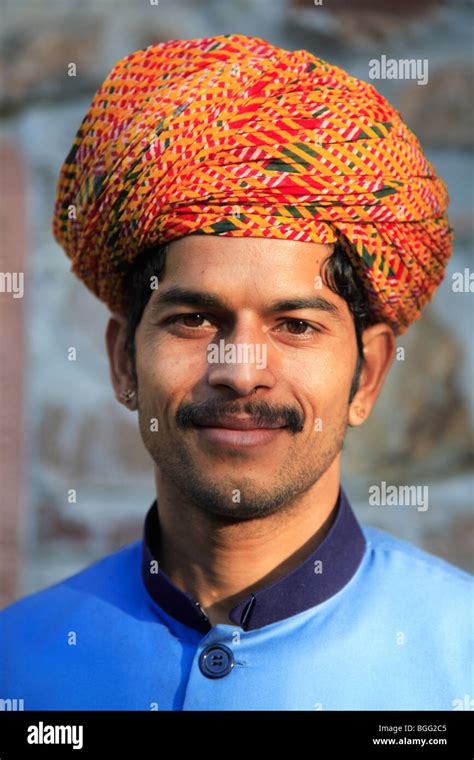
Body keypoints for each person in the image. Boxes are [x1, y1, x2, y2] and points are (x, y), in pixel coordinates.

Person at [1, 34, 471, 711]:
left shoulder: (460, 663)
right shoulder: (17, 665)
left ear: (366, 375)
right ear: (121, 361)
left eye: (296, 325)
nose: (241, 371)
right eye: (194, 319)